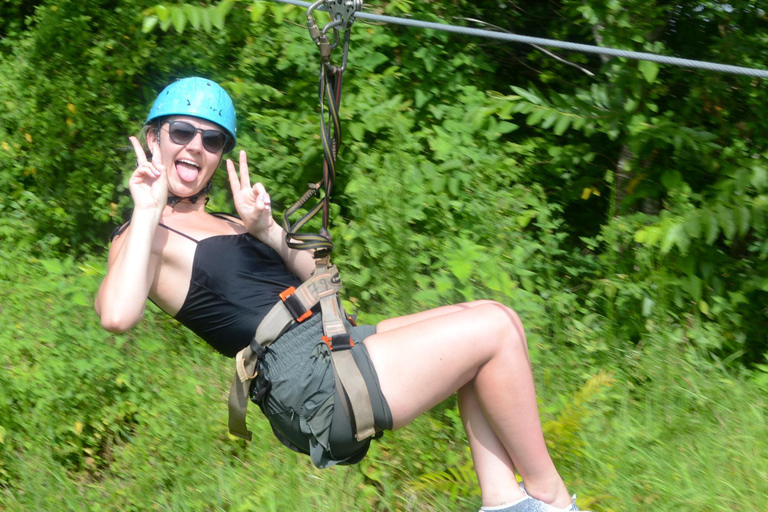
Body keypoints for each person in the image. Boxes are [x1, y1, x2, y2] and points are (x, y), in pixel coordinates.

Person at [95, 77, 581, 512]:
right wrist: (146, 207)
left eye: (212, 139)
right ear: (153, 138)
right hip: (308, 380)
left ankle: (507, 502)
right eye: (182, 132)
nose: (196, 147)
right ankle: (553, 501)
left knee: (494, 318)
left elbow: (319, 277)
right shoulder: (144, 233)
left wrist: (265, 230)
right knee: (493, 330)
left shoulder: (226, 220)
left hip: (333, 340)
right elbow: (116, 315)